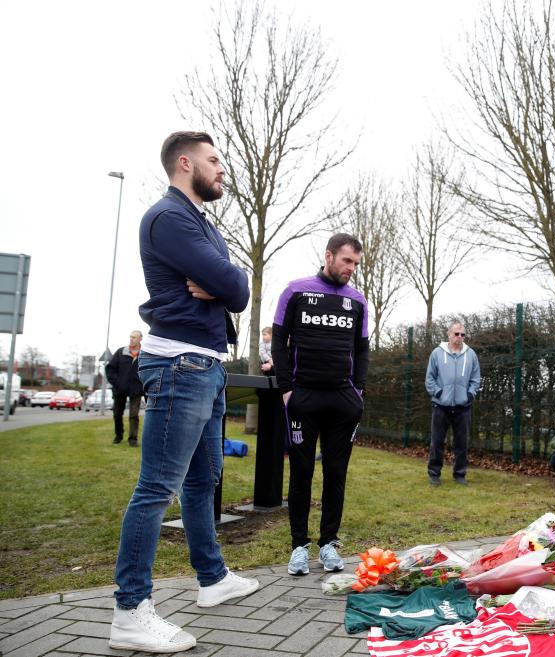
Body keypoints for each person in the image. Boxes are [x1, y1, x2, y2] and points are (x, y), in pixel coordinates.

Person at [110, 131, 258, 654]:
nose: (222, 169)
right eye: (213, 160)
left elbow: (236, 286)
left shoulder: (201, 223)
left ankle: (212, 578)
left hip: (207, 364)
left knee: (202, 482)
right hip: (179, 363)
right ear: (183, 162)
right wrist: (221, 283)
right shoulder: (169, 218)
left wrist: (221, 281)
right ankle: (130, 610)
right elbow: (234, 288)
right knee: (157, 488)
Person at [272, 233, 368, 577]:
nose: (351, 269)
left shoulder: (357, 301)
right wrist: (286, 389)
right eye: (346, 261)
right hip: (304, 397)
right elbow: (279, 343)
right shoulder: (296, 291)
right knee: (301, 473)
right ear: (329, 256)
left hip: (342, 401)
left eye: (355, 263)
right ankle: (299, 546)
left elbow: (362, 349)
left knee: (336, 473)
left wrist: (358, 391)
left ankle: (328, 543)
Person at [425, 321, 481, 487]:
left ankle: (460, 474)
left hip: (463, 407)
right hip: (440, 406)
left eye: (462, 334)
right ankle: (434, 474)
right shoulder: (437, 353)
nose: (460, 337)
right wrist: (439, 393)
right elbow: (429, 379)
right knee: (437, 442)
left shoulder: (471, 355)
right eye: (456, 334)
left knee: (462, 443)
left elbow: (475, 379)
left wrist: (469, 395)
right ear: (449, 334)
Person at [105, 330, 144, 446]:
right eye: (131, 337)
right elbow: (110, 369)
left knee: (134, 415)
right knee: (117, 414)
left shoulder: (144, 355)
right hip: (119, 389)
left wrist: (142, 386)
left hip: (136, 390)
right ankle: (118, 435)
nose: (131, 339)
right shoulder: (120, 352)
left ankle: (133, 439)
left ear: (140, 339)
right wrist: (117, 383)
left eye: (134, 337)